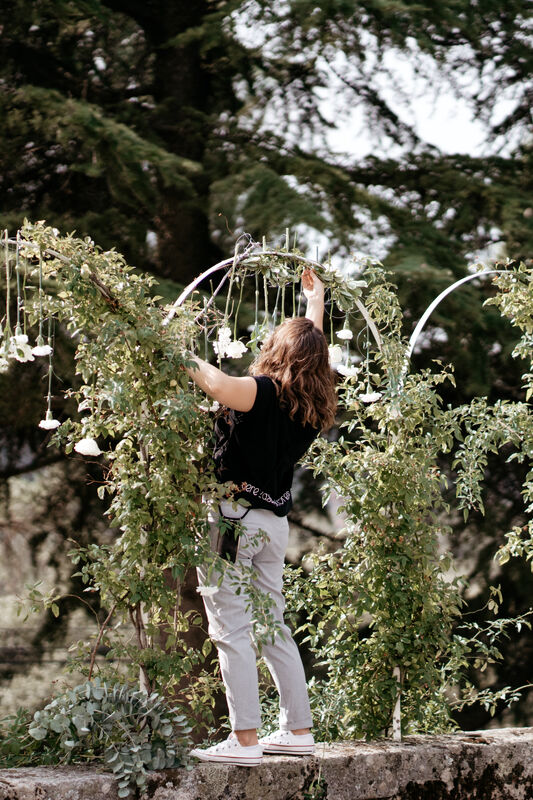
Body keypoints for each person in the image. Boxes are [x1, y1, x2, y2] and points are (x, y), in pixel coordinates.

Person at [186, 269, 336, 766]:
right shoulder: (311, 402)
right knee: (272, 624)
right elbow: (312, 351)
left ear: (280, 351)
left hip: (233, 520)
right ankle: (298, 730)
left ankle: (245, 739)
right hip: (273, 525)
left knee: (230, 625)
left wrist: (177, 351)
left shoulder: (261, 392)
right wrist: (316, 303)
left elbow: (215, 383)